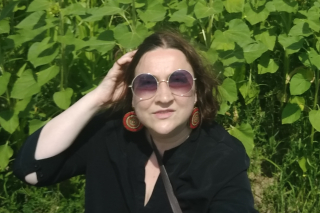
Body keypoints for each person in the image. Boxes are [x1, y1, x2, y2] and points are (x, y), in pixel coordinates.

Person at [13, 31, 258, 213]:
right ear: (131, 95)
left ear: (196, 91)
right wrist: (99, 97)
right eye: (147, 83)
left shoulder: (221, 156)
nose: (164, 98)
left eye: (179, 80)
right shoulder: (110, 135)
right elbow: (32, 170)